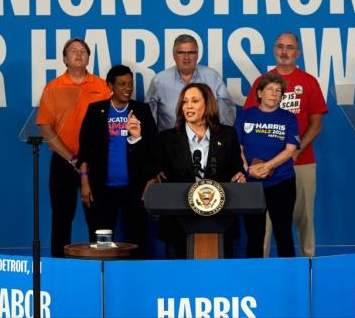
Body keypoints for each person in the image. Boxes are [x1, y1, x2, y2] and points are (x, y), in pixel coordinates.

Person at [244, 32, 328, 258]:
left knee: (304, 217)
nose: (284, 52)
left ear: (297, 53)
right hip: (265, 167)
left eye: (290, 48)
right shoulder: (262, 82)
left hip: (302, 162)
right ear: (274, 50)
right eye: (280, 46)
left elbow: (316, 124)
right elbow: (249, 120)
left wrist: (294, 151)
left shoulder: (309, 82)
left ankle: (308, 264)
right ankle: (261, 268)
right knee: (266, 222)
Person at [146, 83, 245, 259]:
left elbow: (236, 169)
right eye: (185, 102)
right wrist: (137, 139)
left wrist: (239, 177)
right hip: (178, 223)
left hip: (219, 222)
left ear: (208, 105)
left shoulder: (227, 135)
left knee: (217, 277)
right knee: (178, 280)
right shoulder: (167, 139)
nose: (188, 106)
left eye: (194, 101)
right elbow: (149, 169)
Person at [36, 38, 111, 257]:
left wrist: (88, 158)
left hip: (95, 161)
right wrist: (71, 158)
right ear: (64, 58)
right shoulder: (53, 87)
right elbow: (45, 127)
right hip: (64, 160)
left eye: (83, 51)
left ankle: (100, 267)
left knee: (98, 218)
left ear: (89, 57)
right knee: (61, 217)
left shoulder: (102, 86)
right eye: (73, 51)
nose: (79, 54)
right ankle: (59, 268)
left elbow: (112, 123)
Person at [77, 65, 158, 258]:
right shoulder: (96, 110)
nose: (127, 88)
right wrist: (85, 182)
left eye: (130, 84)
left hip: (135, 188)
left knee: (137, 239)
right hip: (101, 188)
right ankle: (102, 279)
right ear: (110, 86)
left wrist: (151, 180)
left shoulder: (142, 110)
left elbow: (154, 148)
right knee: (100, 243)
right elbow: (85, 150)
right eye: (122, 84)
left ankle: (138, 280)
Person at [236, 73, 300, 257]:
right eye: (270, 90)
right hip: (251, 184)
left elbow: (290, 149)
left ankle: (289, 276)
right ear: (259, 93)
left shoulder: (288, 118)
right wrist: (248, 169)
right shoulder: (245, 115)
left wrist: (267, 166)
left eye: (278, 91)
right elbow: (237, 147)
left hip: (282, 182)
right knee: (254, 234)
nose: (274, 94)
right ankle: (254, 277)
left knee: (283, 233)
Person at [145, 34, 236, 131]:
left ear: (197, 55)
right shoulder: (159, 81)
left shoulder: (212, 77)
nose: (186, 57)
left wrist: (221, 137)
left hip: (206, 142)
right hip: (170, 143)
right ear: (174, 55)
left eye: (191, 52)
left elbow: (227, 111)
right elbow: (149, 119)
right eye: (181, 53)